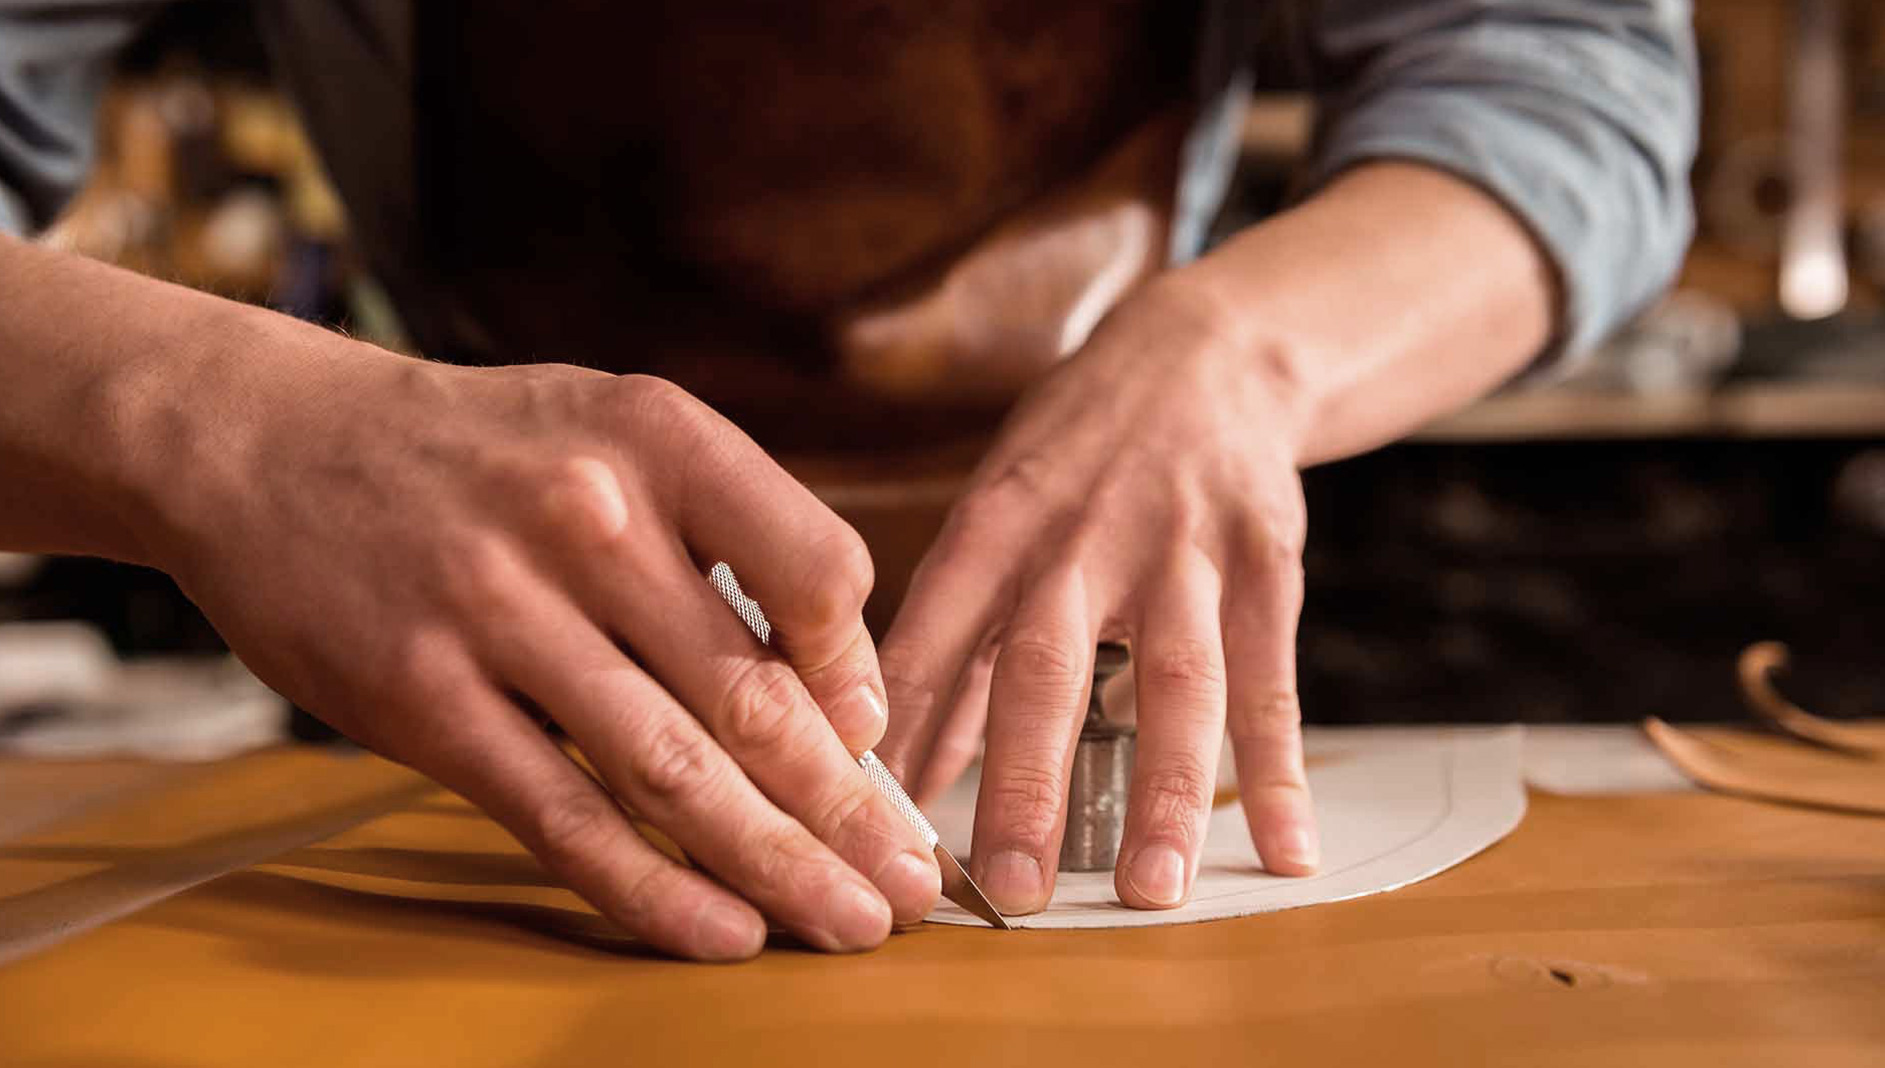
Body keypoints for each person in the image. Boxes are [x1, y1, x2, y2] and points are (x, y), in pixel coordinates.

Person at [0, 2, 1696, 960]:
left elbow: (1564, 83)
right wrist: (218, 428)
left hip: (1103, 700)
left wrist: (1241, 352)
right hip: (454, 725)